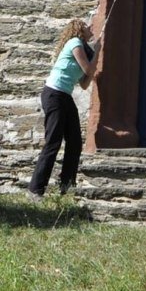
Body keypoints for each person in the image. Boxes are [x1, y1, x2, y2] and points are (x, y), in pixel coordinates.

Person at [27, 18, 97, 198]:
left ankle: (67, 186)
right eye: (85, 26)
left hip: (64, 95)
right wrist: (97, 52)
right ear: (79, 30)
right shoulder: (75, 43)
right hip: (54, 94)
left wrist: (96, 55)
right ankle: (35, 189)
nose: (90, 27)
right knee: (53, 141)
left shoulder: (83, 48)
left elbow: (84, 83)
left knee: (74, 142)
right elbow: (89, 70)